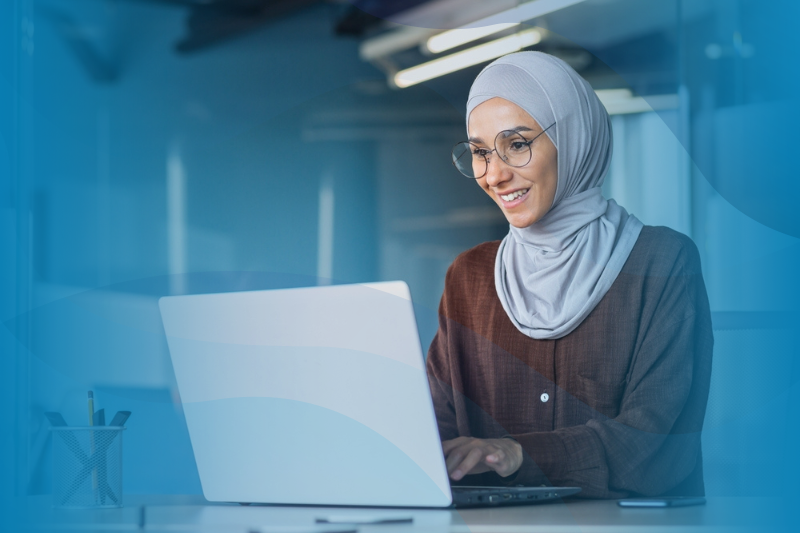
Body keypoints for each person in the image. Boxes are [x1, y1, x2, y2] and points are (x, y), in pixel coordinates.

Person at [426, 51, 713, 499]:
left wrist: (519, 453)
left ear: (574, 138)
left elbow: (658, 445)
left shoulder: (661, 262)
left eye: (517, 145)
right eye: (480, 152)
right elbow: (433, 434)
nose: (494, 174)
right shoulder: (469, 278)